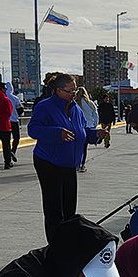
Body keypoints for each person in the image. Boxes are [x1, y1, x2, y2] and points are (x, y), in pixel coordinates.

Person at [27, 73, 107, 243]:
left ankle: (67, 241)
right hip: (49, 162)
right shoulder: (45, 107)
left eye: (75, 90)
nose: (73, 94)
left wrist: (96, 134)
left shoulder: (76, 109)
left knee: (70, 207)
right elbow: (33, 130)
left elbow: (82, 131)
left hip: (69, 164)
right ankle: (55, 245)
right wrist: (57, 133)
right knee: (54, 207)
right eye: (69, 91)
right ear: (57, 90)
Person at [75, 86, 99, 173]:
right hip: (89, 127)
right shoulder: (90, 103)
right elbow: (96, 115)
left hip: (78, 128)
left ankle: (76, 164)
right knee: (84, 147)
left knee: (77, 147)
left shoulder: (75, 103)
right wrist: (94, 126)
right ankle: (82, 165)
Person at [5, 83, 23, 163]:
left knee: (6, 140)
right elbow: (20, 109)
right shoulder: (15, 98)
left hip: (5, 122)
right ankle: (13, 151)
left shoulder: (3, 97)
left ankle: (8, 156)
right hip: (14, 121)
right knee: (16, 138)